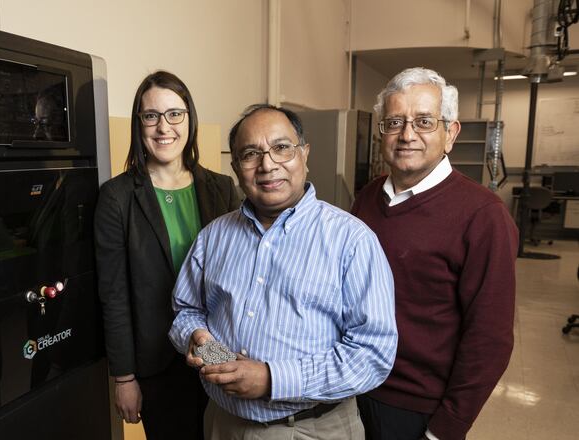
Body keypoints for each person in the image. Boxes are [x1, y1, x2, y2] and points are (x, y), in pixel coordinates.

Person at [168, 104, 398, 440]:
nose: (267, 164)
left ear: (304, 154)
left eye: (281, 148)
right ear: (235, 167)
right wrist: (205, 345)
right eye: (250, 154)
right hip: (223, 423)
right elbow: (187, 311)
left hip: (312, 428)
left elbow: (373, 354)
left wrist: (272, 378)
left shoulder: (351, 241)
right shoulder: (213, 237)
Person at [351, 67, 518, 440]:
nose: (407, 135)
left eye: (424, 121)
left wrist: (446, 428)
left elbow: (489, 338)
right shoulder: (367, 197)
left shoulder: (483, 216)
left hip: (417, 410)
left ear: (450, 133)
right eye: (394, 122)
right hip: (353, 388)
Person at [94, 71, 240, 440]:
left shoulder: (221, 189)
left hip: (217, 351)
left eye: (175, 114)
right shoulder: (117, 197)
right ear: (138, 124)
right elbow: (113, 295)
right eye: (151, 116)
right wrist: (124, 377)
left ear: (189, 119)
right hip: (156, 361)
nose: (164, 127)